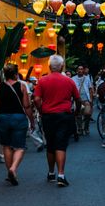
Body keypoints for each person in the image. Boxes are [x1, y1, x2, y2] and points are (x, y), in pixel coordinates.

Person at [33, 54, 80, 187]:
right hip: (64, 115)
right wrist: (76, 111)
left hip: (48, 115)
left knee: (51, 145)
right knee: (61, 144)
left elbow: (36, 99)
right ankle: (61, 174)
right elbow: (77, 98)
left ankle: (51, 172)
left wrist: (41, 110)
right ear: (61, 67)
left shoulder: (42, 81)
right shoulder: (69, 81)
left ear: (49, 67)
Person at [0, 64, 34, 186]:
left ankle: (10, 171)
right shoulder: (22, 86)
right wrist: (32, 121)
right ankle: (13, 168)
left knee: (6, 146)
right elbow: (27, 106)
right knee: (20, 147)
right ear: (16, 74)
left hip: (3, 118)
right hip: (18, 118)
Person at [71, 65, 94, 138]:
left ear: (83, 70)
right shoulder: (73, 79)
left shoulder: (87, 78)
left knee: (87, 113)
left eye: (81, 69)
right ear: (77, 70)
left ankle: (86, 127)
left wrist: (91, 99)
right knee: (78, 115)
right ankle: (80, 129)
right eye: (79, 69)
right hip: (77, 99)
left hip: (86, 99)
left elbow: (90, 89)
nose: (80, 70)